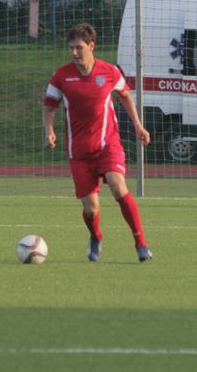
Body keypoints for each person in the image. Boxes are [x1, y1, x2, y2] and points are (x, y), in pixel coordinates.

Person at [43, 22, 153, 263]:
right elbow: (49, 107)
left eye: (79, 48)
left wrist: (138, 125)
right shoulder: (61, 76)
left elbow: (125, 97)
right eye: (70, 48)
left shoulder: (110, 72)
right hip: (79, 152)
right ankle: (96, 236)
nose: (74, 52)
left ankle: (140, 243)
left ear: (91, 46)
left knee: (118, 187)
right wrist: (49, 131)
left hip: (108, 145)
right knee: (91, 208)